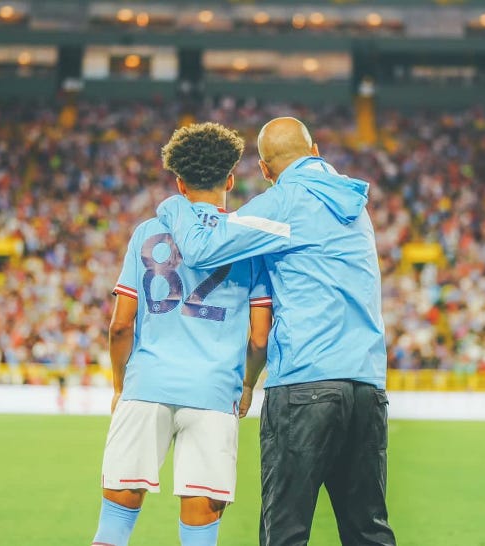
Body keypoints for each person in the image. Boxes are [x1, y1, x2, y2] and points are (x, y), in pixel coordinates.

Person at [157, 117, 397, 545]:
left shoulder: (286, 203)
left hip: (306, 386)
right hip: (366, 387)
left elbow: (202, 248)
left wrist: (173, 206)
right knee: (368, 531)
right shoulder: (354, 204)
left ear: (266, 171)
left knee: (285, 531)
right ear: (317, 151)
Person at [91, 122, 273, 546]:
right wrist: (247, 386)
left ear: (178, 182)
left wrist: (120, 386)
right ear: (229, 179)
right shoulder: (249, 243)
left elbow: (120, 325)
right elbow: (260, 338)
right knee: (199, 530)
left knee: (113, 526)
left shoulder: (147, 234)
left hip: (147, 386)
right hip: (212, 393)